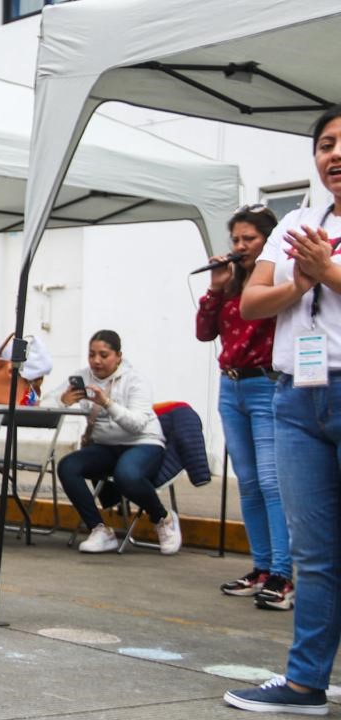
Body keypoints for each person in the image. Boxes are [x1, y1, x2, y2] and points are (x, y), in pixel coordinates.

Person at [225, 105, 341, 716]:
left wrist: (329, 271)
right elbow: (251, 302)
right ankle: (305, 685)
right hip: (296, 395)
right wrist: (301, 282)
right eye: (325, 144)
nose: (334, 154)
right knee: (315, 553)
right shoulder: (297, 219)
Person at [196, 205, 294, 611]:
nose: (239, 246)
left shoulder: (275, 277)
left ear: (267, 240)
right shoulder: (233, 282)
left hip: (266, 383)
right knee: (249, 482)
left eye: (248, 239)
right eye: (235, 239)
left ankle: (283, 575)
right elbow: (205, 333)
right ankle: (261, 566)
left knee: (272, 482)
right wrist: (216, 288)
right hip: (231, 386)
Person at [54, 330, 179, 555]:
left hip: (144, 443)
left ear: (118, 356)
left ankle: (163, 518)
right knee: (67, 466)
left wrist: (107, 403)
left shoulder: (135, 380)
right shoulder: (83, 377)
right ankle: (99, 530)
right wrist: (63, 401)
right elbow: (48, 400)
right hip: (105, 446)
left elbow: (138, 425)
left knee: (126, 476)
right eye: (91, 355)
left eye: (103, 355)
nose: (96, 361)